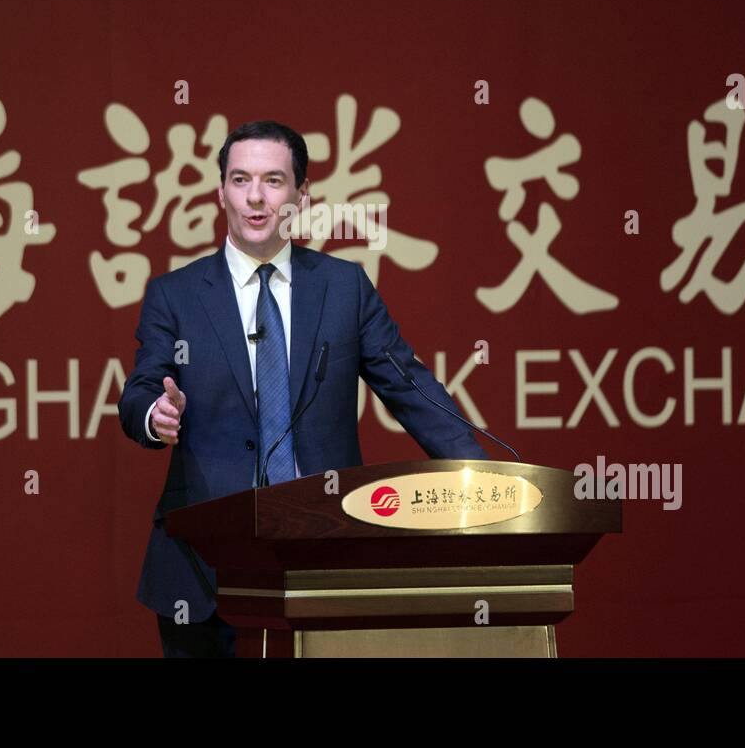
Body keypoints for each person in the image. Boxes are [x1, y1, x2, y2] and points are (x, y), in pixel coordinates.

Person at [118, 120, 488, 657]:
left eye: (273, 180)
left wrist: (480, 473)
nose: (255, 197)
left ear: (300, 195)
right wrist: (156, 414)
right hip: (203, 568)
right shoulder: (175, 295)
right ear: (220, 190)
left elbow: (411, 388)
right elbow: (140, 391)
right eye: (240, 179)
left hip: (322, 557)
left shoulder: (343, 288)